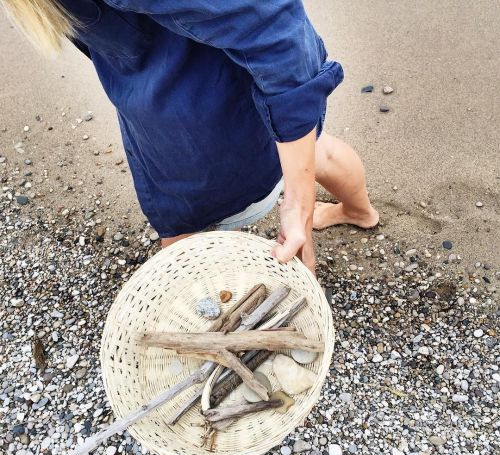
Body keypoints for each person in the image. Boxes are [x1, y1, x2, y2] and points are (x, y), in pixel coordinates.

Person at [2, 0, 378, 274]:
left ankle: (201, 309)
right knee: (318, 151)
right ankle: (359, 211)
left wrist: (298, 203)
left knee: (182, 231)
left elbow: (275, 28)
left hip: (198, 123)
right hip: (235, 87)